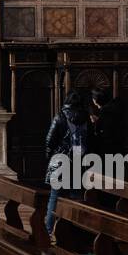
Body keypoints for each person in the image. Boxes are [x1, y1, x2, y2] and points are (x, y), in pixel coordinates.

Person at [44, 91, 90, 233]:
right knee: (76, 195)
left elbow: (50, 140)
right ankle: (74, 231)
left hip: (61, 158)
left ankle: (49, 230)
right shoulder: (86, 117)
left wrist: (49, 156)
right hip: (79, 158)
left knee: (55, 195)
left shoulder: (60, 116)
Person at [89, 85, 125, 158]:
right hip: (118, 147)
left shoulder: (105, 112)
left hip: (108, 149)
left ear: (95, 100)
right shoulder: (113, 108)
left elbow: (105, 132)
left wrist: (96, 123)